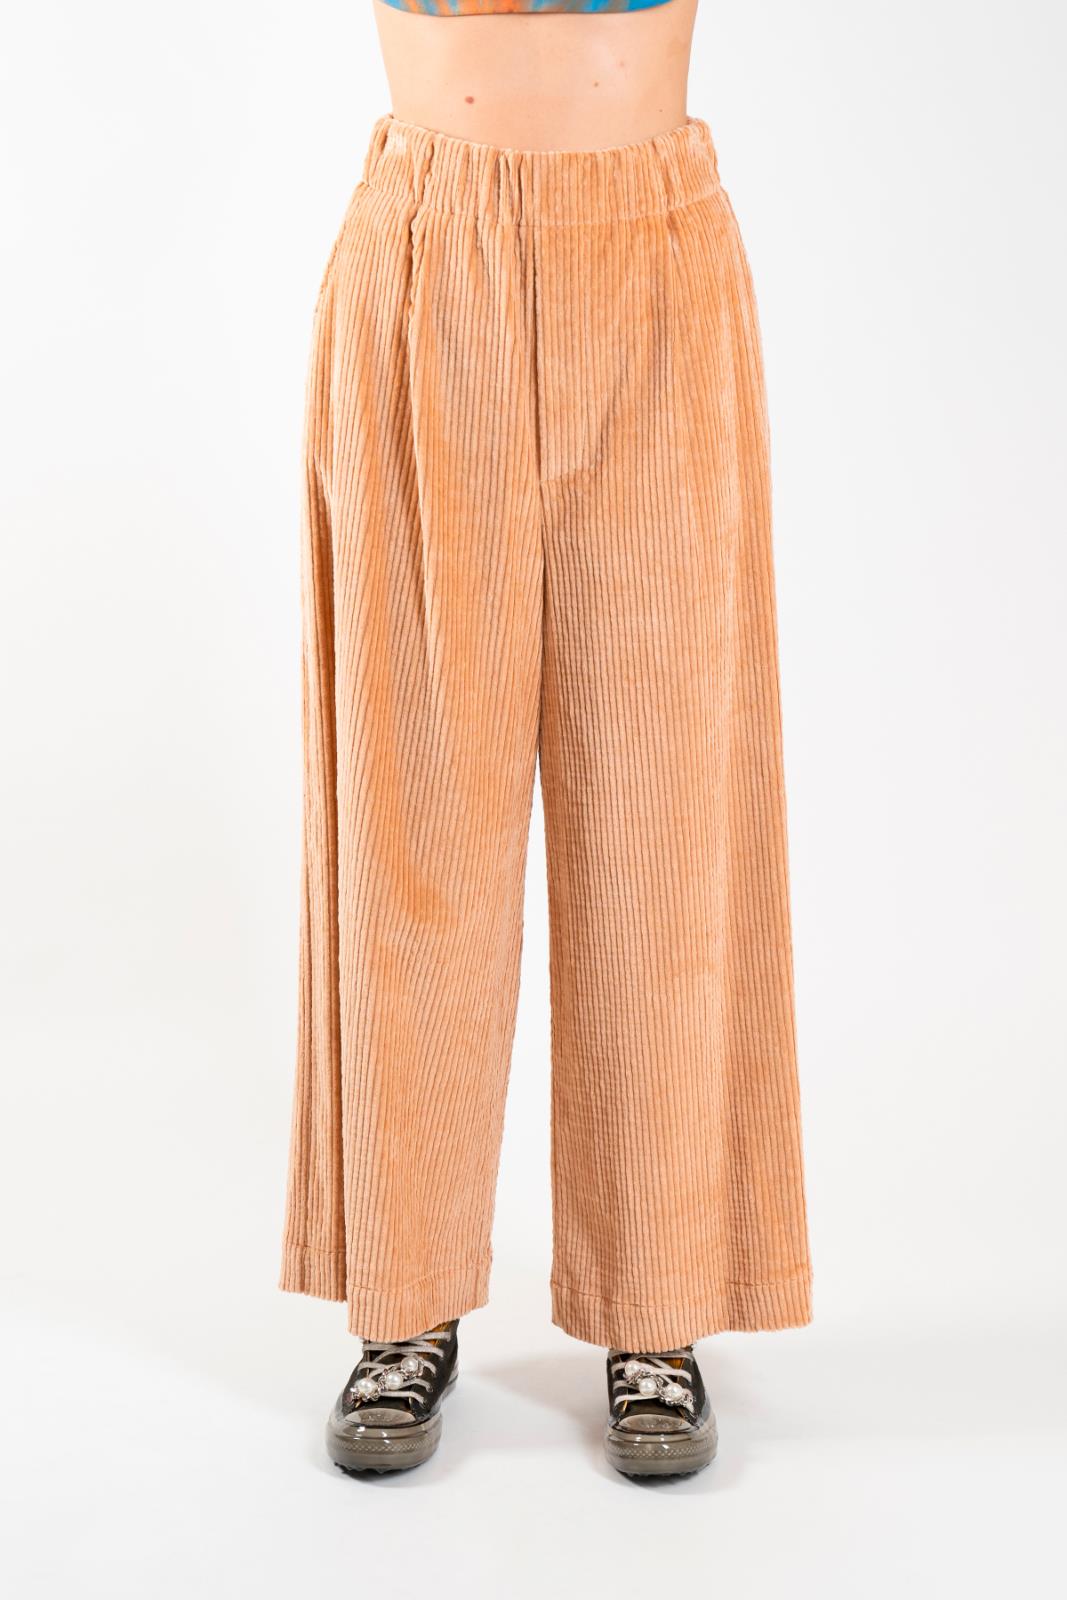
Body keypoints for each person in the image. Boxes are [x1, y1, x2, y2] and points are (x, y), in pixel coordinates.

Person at [279, 0, 813, 1481]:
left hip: (651, 261)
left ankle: (658, 1304)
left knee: (663, 810)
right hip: (429, 254)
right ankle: (404, 1296)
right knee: (410, 810)